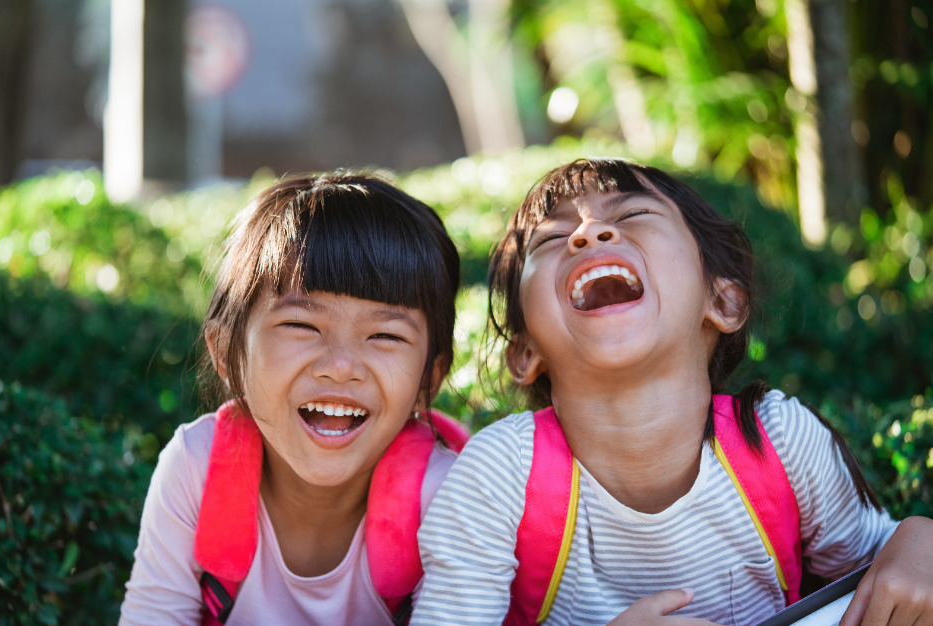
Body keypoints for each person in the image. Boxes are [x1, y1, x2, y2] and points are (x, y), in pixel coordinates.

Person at [410, 159, 933, 626]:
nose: (588, 234)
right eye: (551, 239)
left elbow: (885, 572)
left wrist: (919, 542)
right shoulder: (500, 475)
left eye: (631, 216)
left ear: (722, 301)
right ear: (525, 352)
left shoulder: (780, 443)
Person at [120, 173, 464, 625]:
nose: (341, 365)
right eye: (302, 326)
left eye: (385, 335)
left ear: (428, 378)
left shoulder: (446, 496)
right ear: (228, 352)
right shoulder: (196, 470)